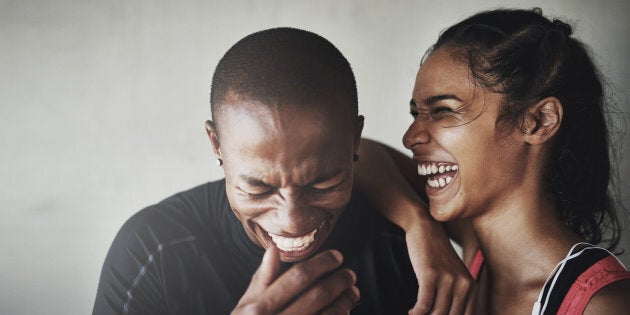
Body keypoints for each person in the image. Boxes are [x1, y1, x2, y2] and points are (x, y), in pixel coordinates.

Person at [93, 27, 474, 314]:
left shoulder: (400, 245)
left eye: (324, 182)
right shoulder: (152, 252)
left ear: (354, 141)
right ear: (216, 145)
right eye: (258, 189)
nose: (292, 221)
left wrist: (419, 223)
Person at [362, 8, 630, 314]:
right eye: (416, 114)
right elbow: (356, 154)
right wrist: (418, 225)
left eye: (443, 111)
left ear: (538, 121)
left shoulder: (603, 305)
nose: (410, 137)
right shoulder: (478, 252)